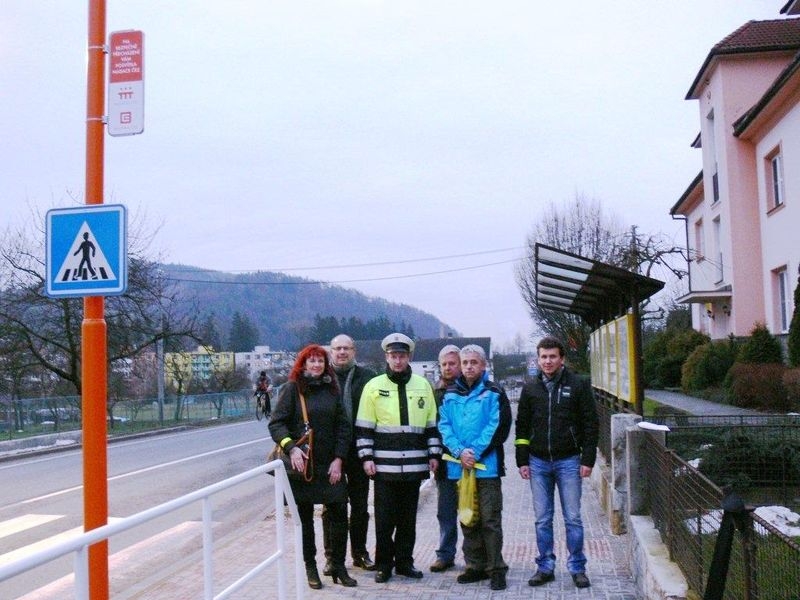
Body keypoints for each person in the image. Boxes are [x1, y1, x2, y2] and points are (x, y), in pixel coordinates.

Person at [268, 344, 357, 589]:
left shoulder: (332, 390)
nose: (317, 365)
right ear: (303, 364)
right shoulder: (292, 389)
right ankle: (311, 568)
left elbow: (343, 427)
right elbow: (276, 425)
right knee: (305, 521)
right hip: (303, 468)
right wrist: (292, 448)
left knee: (339, 513)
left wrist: (339, 459)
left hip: (330, 466)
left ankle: (338, 566)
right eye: (312, 361)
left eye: (320, 361)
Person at [355, 332, 441, 583]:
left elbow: (431, 425)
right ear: (387, 357)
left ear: (409, 357)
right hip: (384, 467)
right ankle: (384, 565)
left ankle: (405, 563)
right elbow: (364, 427)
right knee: (384, 521)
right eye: (393, 356)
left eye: (402, 355)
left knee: (407, 520)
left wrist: (434, 454)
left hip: (414, 465)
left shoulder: (423, 385)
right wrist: (366, 458)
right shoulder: (374, 386)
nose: (398, 360)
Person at [514, 336, 599, 589]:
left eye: (552, 356)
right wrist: (522, 460)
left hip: (569, 461)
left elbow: (590, 424)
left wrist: (588, 459)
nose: (548, 361)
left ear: (561, 358)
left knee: (573, 518)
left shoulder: (579, 384)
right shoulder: (530, 388)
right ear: (537, 359)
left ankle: (577, 568)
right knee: (542, 519)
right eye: (543, 357)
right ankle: (545, 566)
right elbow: (522, 426)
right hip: (538, 462)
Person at [438, 344, 512, 591]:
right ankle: (475, 566)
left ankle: (496, 568)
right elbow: (444, 426)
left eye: (474, 362)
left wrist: (475, 452)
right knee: (468, 517)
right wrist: (460, 451)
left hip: (486, 467)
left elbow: (498, 427)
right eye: (465, 362)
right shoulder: (450, 394)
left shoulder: (494, 392)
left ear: (483, 365)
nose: (469, 366)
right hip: (460, 468)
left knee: (490, 519)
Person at [321, 334, 377, 575]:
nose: (341, 352)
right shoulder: (322, 378)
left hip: (358, 451)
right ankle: (332, 556)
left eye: (346, 348)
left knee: (360, 505)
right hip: (330, 453)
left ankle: (360, 552)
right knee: (331, 506)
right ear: (331, 352)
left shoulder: (367, 378)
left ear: (354, 351)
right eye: (337, 349)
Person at [429, 344, 461, 574]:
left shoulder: (471, 390)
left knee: (474, 511)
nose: (448, 368)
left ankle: (476, 554)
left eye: (452, 363)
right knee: (446, 510)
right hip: (445, 460)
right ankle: (445, 554)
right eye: (444, 364)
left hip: (472, 459)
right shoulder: (435, 394)